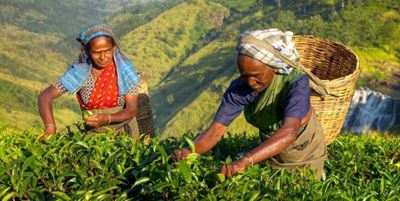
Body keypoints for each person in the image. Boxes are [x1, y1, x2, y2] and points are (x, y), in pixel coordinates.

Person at [173, 28, 327, 179]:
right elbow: (215, 131)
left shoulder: (296, 82)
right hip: (271, 143)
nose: (250, 82)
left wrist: (245, 161)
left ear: (274, 67)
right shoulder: (240, 89)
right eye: (244, 75)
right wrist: (190, 151)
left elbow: (289, 132)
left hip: (304, 144)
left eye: (256, 76)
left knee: (305, 183)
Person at [38, 24, 142, 138]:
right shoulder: (80, 73)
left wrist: (107, 118)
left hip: (124, 134)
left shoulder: (124, 71)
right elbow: (45, 96)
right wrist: (50, 127)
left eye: (107, 51)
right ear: (87, 52)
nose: (102, 57)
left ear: (114, 49)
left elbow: (131, 110)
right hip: (93, 137)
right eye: (96, 52)